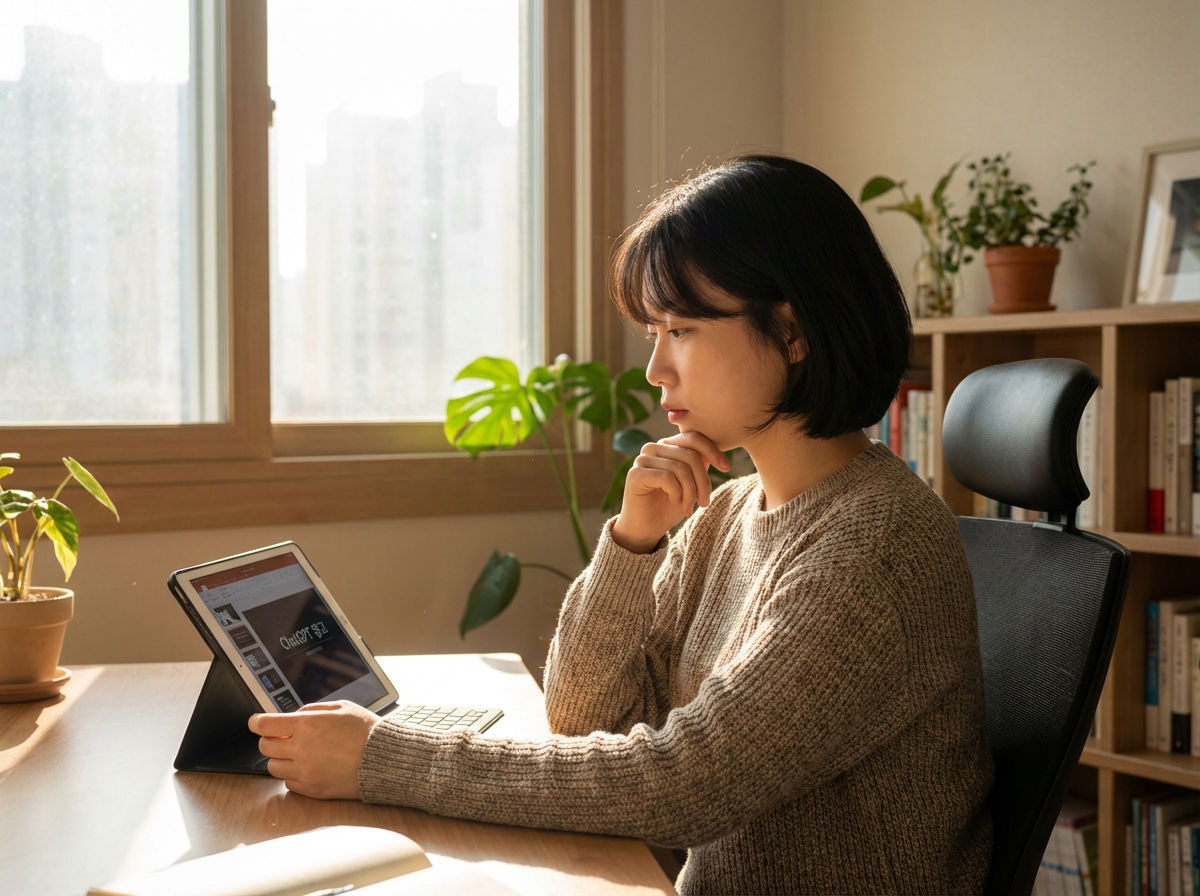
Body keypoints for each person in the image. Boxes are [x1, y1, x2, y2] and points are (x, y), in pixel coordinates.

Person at [249, 154, 994, 894]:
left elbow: (685, 787)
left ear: (792, 333)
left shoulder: (873, 548)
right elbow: (579, 718)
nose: (655, 369)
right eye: (654, 331)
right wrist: (632, 546)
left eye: (683, 329)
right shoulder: (727, 514)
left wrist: (381, 761)